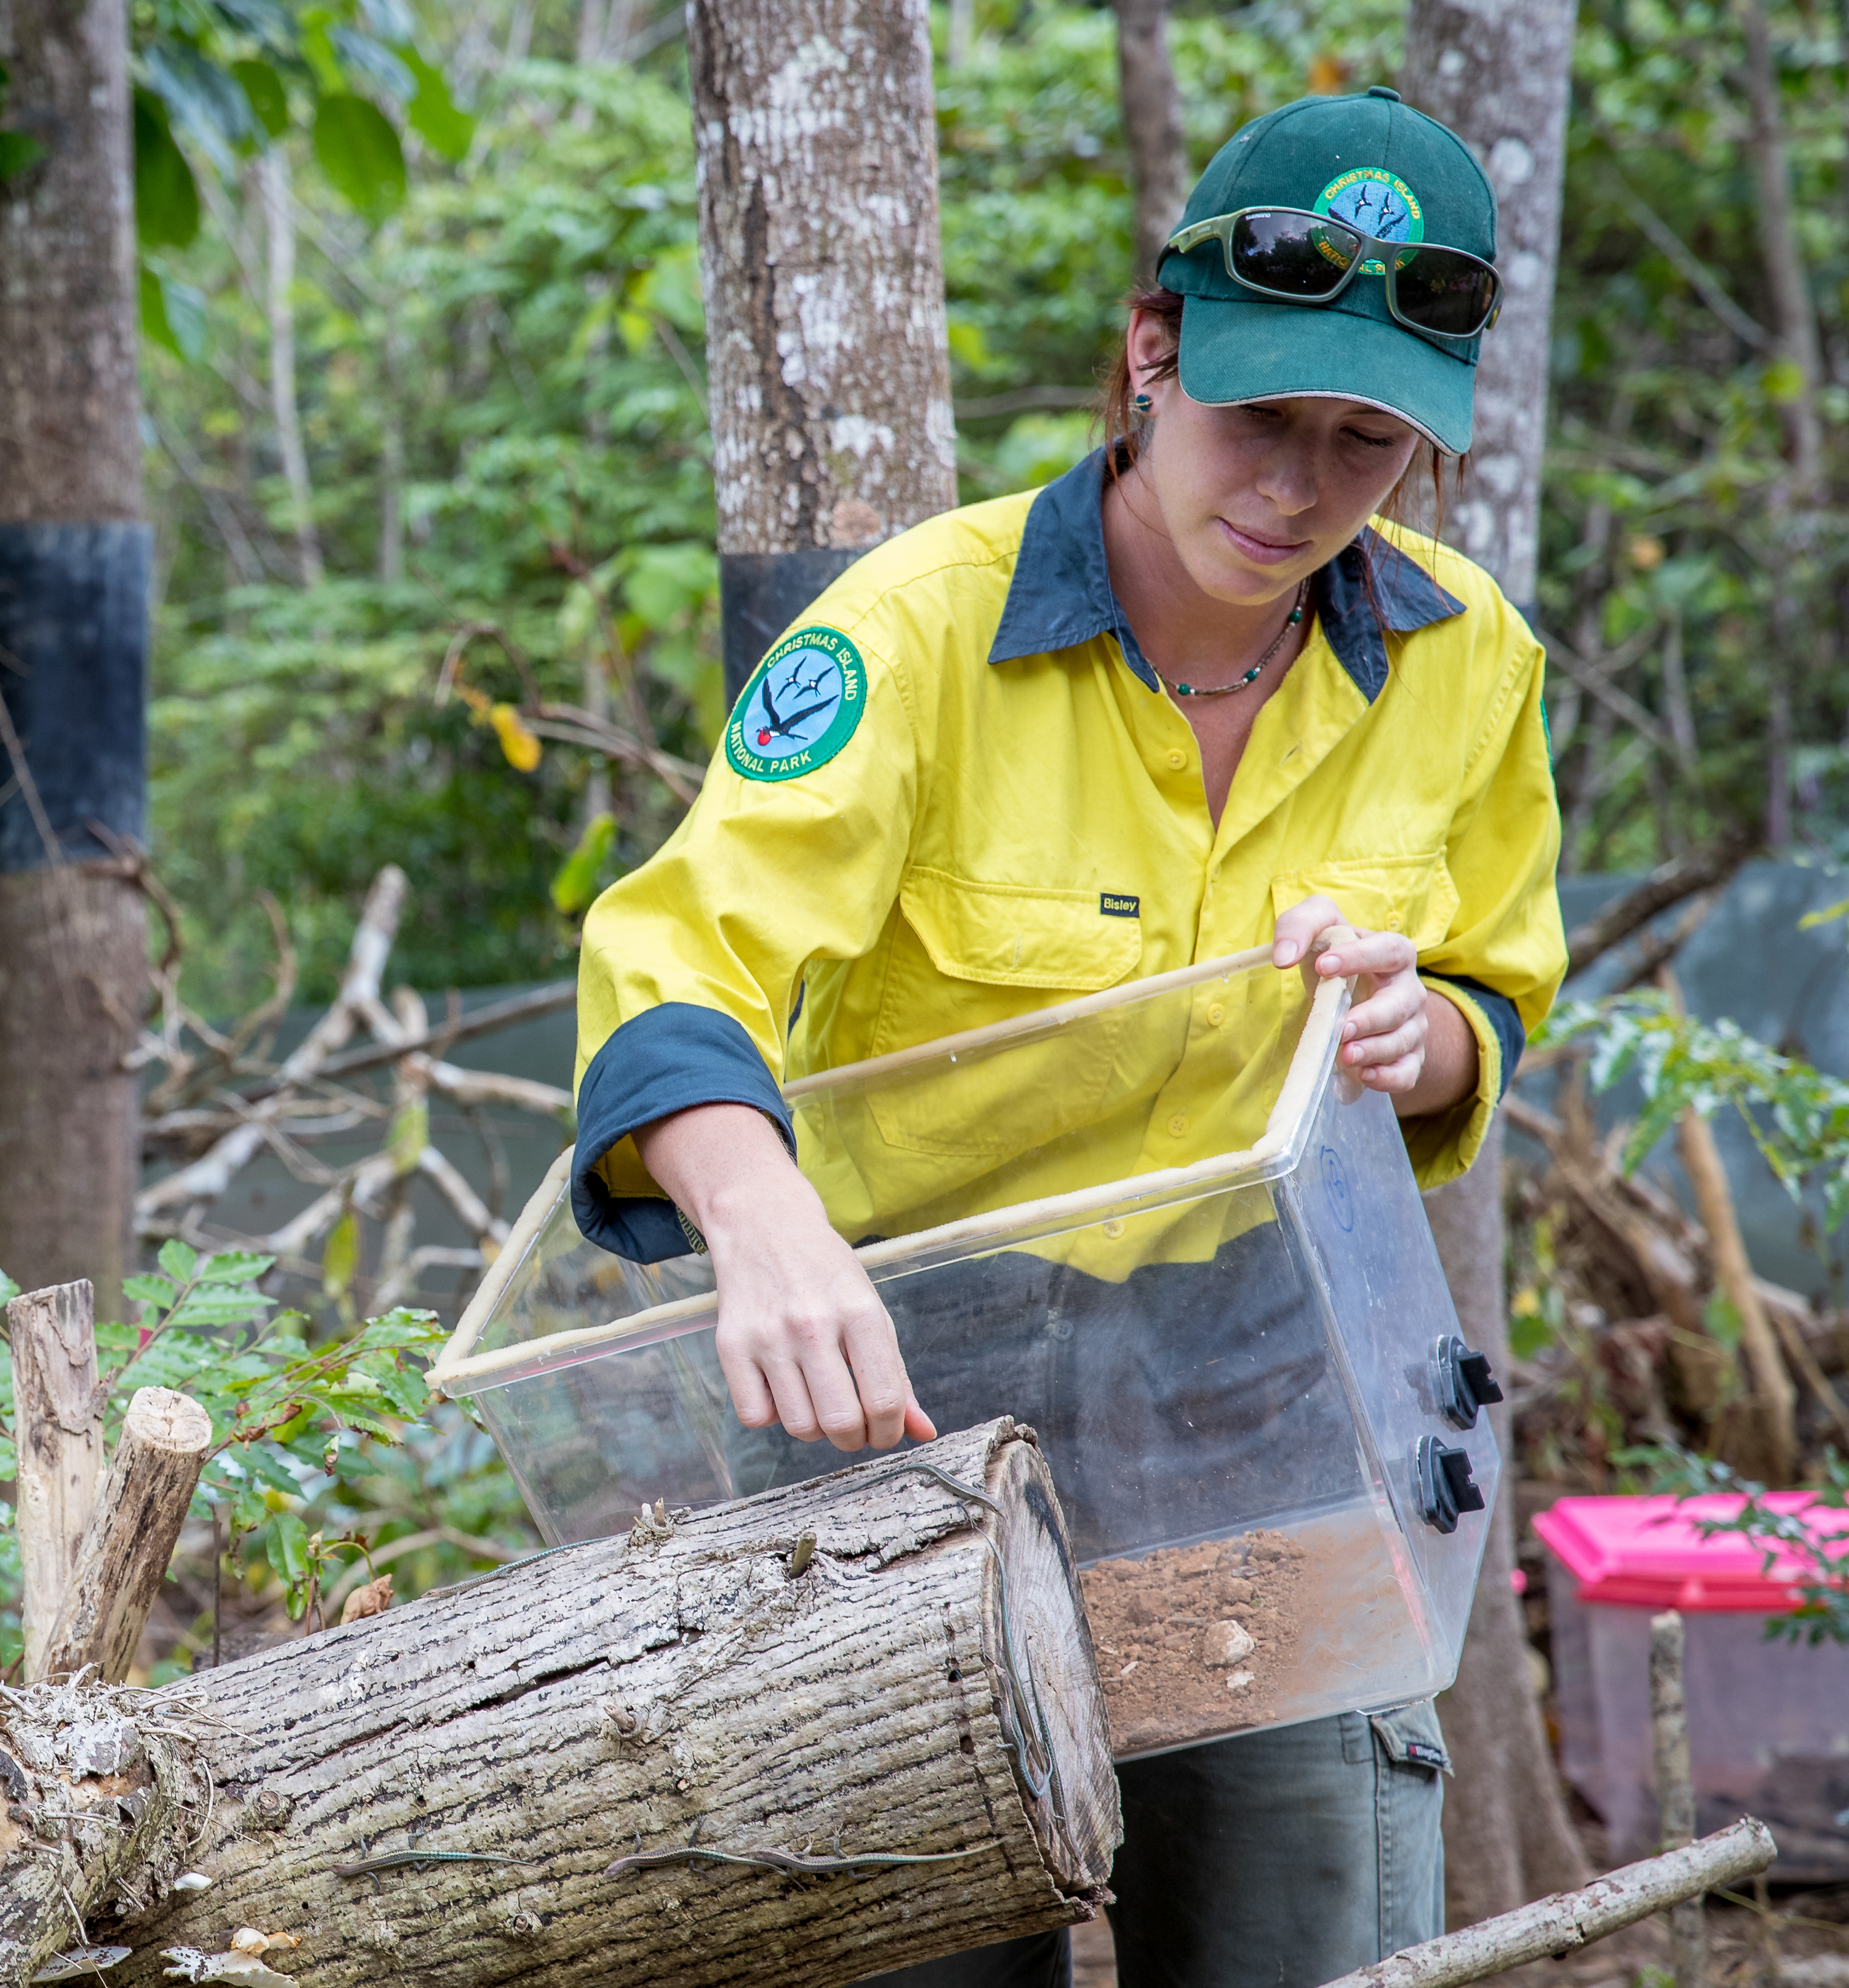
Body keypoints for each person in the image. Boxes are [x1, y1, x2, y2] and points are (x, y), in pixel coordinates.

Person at [568, 88, 1565, 1986]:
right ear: (1148, 350)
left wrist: (1408, 1028)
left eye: (1363, 443)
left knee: (1308, 1925)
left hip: (1256, 1392)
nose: (1293, 484)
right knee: (905, 1946)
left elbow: (1494, 997)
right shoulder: (918, 636)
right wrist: (759, 1225)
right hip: (899, 1406)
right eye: (1255, 416)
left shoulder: (1466, 662)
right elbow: (670, 960)